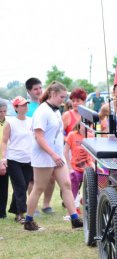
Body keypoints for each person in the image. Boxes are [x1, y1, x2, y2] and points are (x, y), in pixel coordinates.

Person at [24, 81, 83, 231]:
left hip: (57, 155)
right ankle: (28, 221)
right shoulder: (42, 111)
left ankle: (74, 219)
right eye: (61, 97)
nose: (64, 100)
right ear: (52, 94)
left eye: (64, 97)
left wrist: (59, 154)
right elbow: (39, 137)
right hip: (44, 156)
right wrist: (53, 154)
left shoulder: (56, 110)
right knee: (39, 188)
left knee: (67, 185)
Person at [25, 77, 55, 215]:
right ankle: (34, 207)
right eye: (35, 89)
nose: (38, 91)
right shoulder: (26, 108)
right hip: (33, 148)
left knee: (51, 178)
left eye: (40, 88)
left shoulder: (48, 104)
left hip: (51, 148)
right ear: (29, 91)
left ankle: (46, 204)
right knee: (34, 180)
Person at [0, 96, 33, 224]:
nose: (25, 107)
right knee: (19, 186)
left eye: (26, 104)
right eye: (22, 105)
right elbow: (4, 141)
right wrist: (4, 157)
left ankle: (15, 209)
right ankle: (21, 214)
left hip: (29, 159)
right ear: (15, 108)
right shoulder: (10, 122)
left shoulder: (31, 121)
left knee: (23, 186)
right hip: (14, 159)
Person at [64, 121, 94, 219]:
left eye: (87, 125)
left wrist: (93, 165)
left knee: (95, 184)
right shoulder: (72, 135)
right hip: (75, 167)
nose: (85, 127)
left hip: (88, 167)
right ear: (79, 125)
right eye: (83, 125)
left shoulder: (91, 136)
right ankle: (70, 212)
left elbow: (94, 155)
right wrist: (69, 168)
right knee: (73, 183)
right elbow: (65, 152)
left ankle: (87, 204)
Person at [0, 102, 8, 219]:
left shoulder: (9, 123)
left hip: (7, 158)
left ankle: (2, 212)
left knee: (4, 187)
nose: (2, 114)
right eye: (0, 111)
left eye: (4, 111)